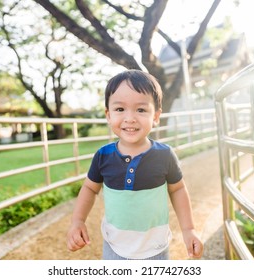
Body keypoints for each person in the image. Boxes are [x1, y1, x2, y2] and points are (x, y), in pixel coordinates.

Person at [66, 69, 203, 260]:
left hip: (155, 249)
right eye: (120, 109)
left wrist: (189, 230)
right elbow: (89, 188)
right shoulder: (103, 156)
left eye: (141, 110)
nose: (130, 118)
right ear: (108, 115)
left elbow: (178, 189)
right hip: (114, 247)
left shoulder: (164, 155)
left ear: (155, 116)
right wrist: (77, 221)